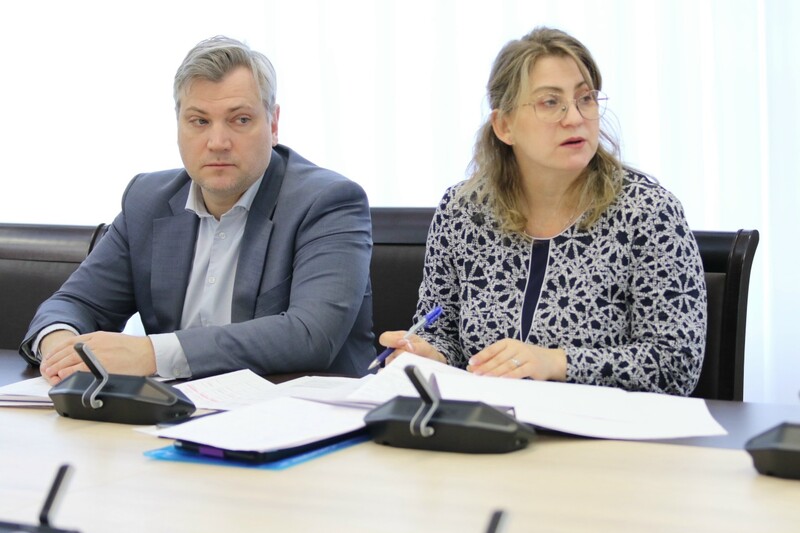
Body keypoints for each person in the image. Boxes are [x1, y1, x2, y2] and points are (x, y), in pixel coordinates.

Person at [20, 36, 375, 384]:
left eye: (240, 120)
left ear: (273, 124)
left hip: (298, 413)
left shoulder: (329, 202)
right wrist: (61, 348)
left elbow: (310, 335)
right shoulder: (147, 200)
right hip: (177, 414)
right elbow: (74, 304)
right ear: (178, 125)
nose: (218, 142)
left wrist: (151, 354)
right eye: (200, 121)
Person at [379, 27, 707, 395]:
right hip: (487, 419)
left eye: (585, 98)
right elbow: (441, 331)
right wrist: (429, 354)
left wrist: (556, 363)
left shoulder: (648, 212)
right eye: (550, 102)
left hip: (599, 426)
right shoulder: (462, 212)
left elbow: (676, 364)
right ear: (504, 126)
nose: (575, 117)